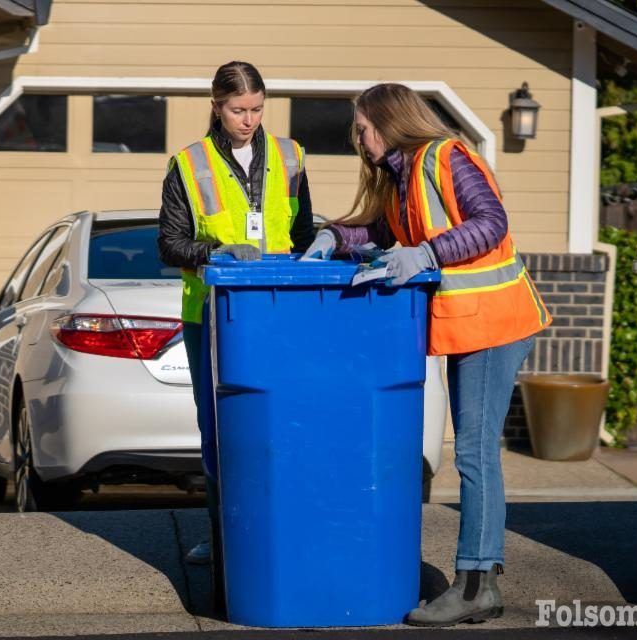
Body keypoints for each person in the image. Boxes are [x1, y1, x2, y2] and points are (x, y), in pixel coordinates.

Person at [303, 83, 551, 627]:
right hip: (471, 325)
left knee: (474, 453)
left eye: (362, 126)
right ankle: (476, 581)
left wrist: (429, 252)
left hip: (494, 322)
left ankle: (475, 585)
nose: (358, 136)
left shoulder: (446, 157)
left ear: (388, 122)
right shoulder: (404, 175)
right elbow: (382, 230)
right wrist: (332, 238)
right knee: (472, 450)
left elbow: (491, 224)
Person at [157, 61, 315, 575]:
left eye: (256, 109)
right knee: (220, 429)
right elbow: (169, 244)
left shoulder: (290, 157)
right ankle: (223, 532)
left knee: (280, 421)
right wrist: (218, 250)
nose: (248, 119)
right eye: (237, 109)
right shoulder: (189, 164)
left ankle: (280, 526)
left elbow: (306, 234)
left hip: (278, 311)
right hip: (211, 313)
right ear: (216, 106)